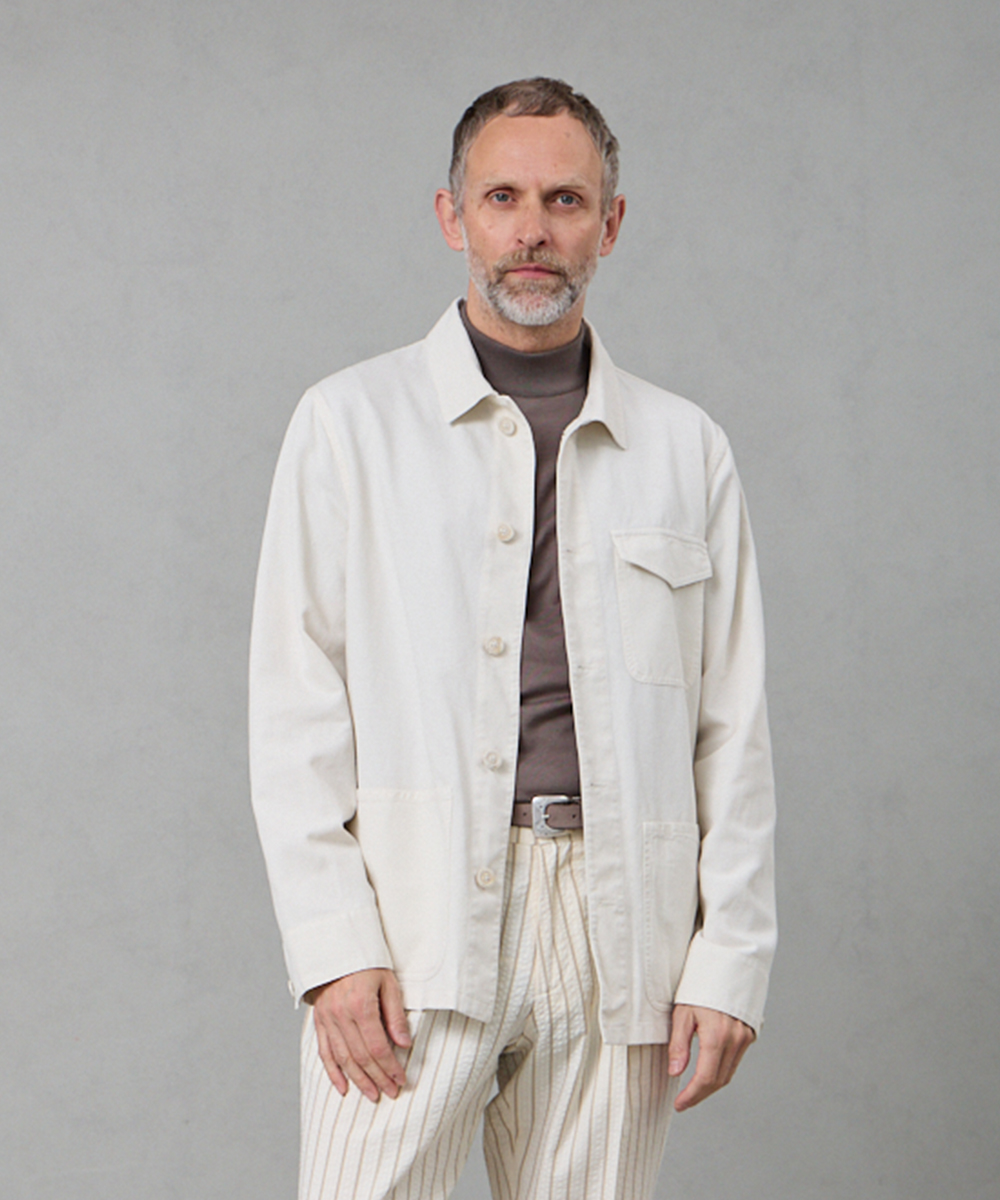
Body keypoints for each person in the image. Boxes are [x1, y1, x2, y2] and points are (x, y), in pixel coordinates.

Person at [250, 77, 776, 1200]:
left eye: (565, 200)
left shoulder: (685, 448)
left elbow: (732, 725)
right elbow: (294, 706)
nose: (533, 229)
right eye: (503, 197)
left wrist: (729, 955)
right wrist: (335, 947)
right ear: (454, 217)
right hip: (413, 919)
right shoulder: (349, 425)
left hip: (619, 933)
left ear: (610, 225)